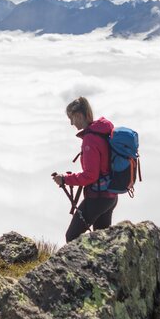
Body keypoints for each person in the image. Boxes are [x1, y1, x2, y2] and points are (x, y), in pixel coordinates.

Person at [52, 97, 118, 242]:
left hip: (97, 197)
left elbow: (90, 175)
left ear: (79, 115)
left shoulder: (90, 139)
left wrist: (65, 179)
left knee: (71, 237)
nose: (71, 123)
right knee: (102, 240)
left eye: (71, 118)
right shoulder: (103, 130)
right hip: (111, 195)